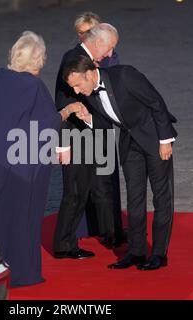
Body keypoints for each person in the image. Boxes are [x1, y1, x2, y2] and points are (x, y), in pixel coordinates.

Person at [0, 31, 79, 287]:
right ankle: (19, 271)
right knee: (18, 218)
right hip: (19, 169)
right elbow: (47, 123)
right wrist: (68, 110)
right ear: (37, 59)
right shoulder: (33, 86)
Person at [63, 55, 177, 271]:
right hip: (129, 142)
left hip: (154, 138)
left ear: (88, 74)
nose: (77, 91)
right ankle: (136, 251)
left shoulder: (125, 75)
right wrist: (87, 117)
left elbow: (156, 102)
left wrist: (165, 140)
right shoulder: (90, 92)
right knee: (134, 198)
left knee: (161, 197)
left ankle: (160, 254)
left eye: (77, 85)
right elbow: (106, 119)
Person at [52, 23, 124, 260]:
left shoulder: (86, 57)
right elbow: (62, 102)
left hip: (94, 132)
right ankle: (64, 245)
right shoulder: (74, 60)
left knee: (104, 186)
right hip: (77, 136)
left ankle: (111, 233)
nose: (110, 54)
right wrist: (63, 143)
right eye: (110, 48)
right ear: (99, 42)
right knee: (75, 192)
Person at [73, 14, 125, 247]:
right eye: (81, 33)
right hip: (82, 127)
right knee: (86, 181)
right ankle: (92, 226)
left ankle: (112, 229)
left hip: (103, 126)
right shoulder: (75, 57)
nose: (85, 36)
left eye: (89, 31)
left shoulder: (109, 57)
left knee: (107, 180)